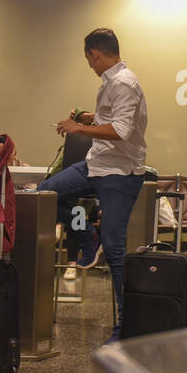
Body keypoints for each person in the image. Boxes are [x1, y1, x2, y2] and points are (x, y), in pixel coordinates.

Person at [39, 28, 147, 344]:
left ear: (95, 54)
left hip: (119, 173)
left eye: (88, 59)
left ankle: (125, 328)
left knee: (114, 248)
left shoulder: (125, 83)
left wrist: (78, 128)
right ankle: (87, 232)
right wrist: (88, 117)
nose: (89, 64)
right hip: (95, 165)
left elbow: (123, 130)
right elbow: (110, 118)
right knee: (44, 194)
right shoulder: (112, 83)